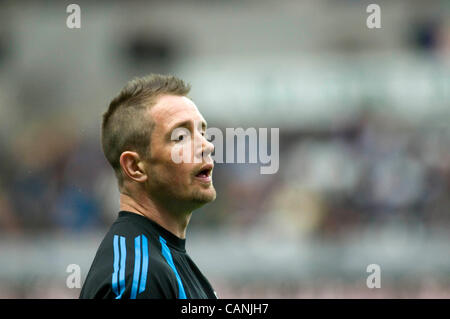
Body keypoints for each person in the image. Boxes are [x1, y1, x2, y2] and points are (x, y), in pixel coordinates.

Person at [80, 74, 217, 299]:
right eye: (181, 136)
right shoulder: (138, 278)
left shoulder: (165, 260)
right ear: (135, 166)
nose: (207, 145)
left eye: (202, 132)